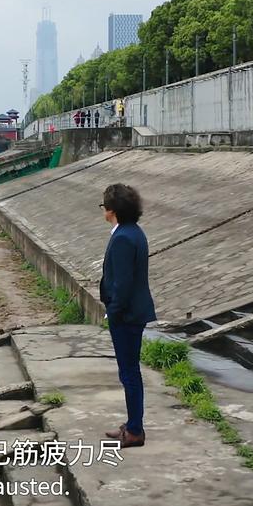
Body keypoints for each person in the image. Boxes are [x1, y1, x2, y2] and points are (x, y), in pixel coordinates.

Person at [98, 183, 156, 448]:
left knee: (129, 373)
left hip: (127, 316)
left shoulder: (123, 237)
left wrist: (113, 312)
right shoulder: (133, 232)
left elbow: (122, 283)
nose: (103, 210)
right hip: (133, 312)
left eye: (104, 206)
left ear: (112, 210)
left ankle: (134, 431)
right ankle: (133, 423)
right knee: (130, 372)